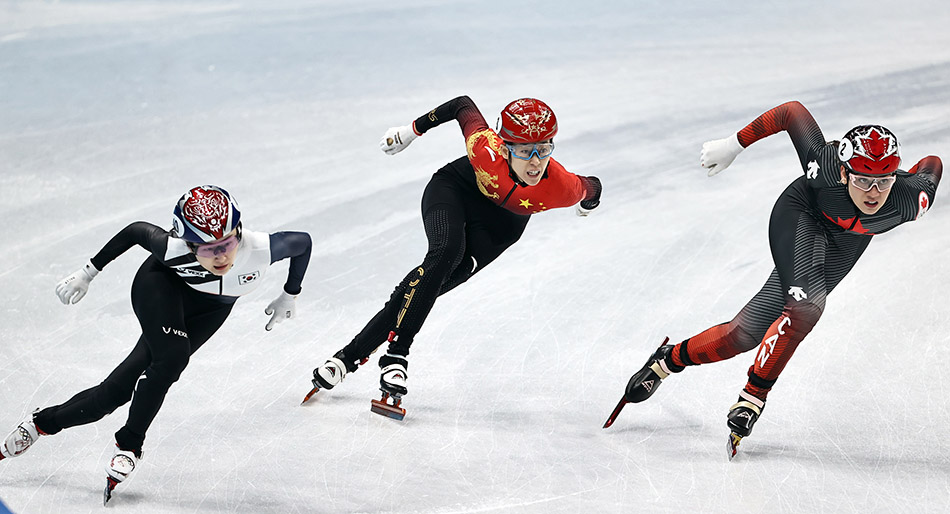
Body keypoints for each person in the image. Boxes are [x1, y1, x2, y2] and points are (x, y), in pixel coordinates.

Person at [606, 101, 942, 457]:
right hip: (803, 215)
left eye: (884, 180)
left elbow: (931, 165)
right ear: (844, 173)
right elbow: (791, 113)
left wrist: (904, 177)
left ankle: (666, 360)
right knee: (806, 308)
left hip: (848, 241)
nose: (874, 193)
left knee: (743, 334)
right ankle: (753, 397)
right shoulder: (824, 167)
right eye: (862, 180)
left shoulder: (911, 200)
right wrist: (733, 144)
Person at [0, 185, 312, 501]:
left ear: (239, 231)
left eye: (227, 243)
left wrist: (291, 293)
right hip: (160, 289)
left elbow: (304, 244)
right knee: (173, 356)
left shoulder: (263, 249)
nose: (220, 255)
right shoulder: (171, 249)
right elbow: (136, 232)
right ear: (188, 246)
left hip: (212, 310)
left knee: (112, 395)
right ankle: (131, 444)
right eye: (206, 249)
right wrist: (88, 272)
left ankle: (42, 422)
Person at [307, 96, 602, 418]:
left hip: (498, 228)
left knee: (424, 285)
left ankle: (346, 358)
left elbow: (593, 186)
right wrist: (410, 131)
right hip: (455, 191)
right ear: (503, 147)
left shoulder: (561, 186)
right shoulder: (484, 146)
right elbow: (461, 105)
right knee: (445, 253)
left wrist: (586, 204)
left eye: (543, 149)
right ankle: (396, 355)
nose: (535, 162)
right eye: (523, 150)